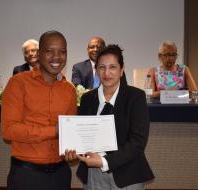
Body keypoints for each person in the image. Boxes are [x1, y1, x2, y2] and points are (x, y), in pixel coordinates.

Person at [65, 45, 154, 190]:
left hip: (127, 175)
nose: (107, 73)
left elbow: (137, 142)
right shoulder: (87, 98)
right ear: (96, 70)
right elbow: (81, 136)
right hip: (93, 175)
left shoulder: (135, 97)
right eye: (101, 67)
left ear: (121, 69)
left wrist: (104, 161)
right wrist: (73, 152)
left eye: (112, 67)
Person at [2, 30, 77, 190]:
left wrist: (74, 152)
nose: (56, 57)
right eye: (49, 51)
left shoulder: (69, 90)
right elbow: (9, 130)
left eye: (62, 52)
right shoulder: (18, 83)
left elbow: (70, 135)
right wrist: (53, 131)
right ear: (39, 53)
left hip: (61, 175)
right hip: (27, 176)